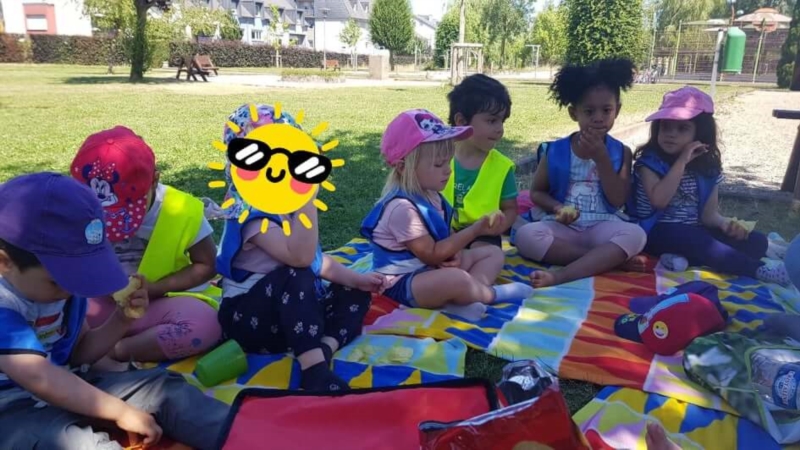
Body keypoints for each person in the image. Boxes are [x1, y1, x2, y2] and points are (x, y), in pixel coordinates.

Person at [0, 172, 228, 449]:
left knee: (165, 389)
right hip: (11, 408)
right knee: (75, 444)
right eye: (60, 280)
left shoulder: (64, 289)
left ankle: (244, 436)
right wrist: (119, 411)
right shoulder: (4, 303)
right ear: (4, 262)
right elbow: (39, 376)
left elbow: (81, 352)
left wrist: (120, 319)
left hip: (69, 383)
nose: (73, 288)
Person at [216, 103, 385, 392]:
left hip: (292, 321)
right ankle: (314, 370)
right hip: (248, 321)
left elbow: (318, 260)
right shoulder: (249, 213)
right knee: (298, 274)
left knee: (354, 291)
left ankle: (324, 348)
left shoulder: (285, 207)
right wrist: (307, 199)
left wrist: (358, 280)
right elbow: (300, 258)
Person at [361, 109, 535, 321]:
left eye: (448, 162)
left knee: (492, 253)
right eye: (438, 164)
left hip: (431, 269)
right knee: (455, 279)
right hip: (402, 283)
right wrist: (475, 230)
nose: (448, 170)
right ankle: (490, 295)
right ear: (403, 167)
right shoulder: (402, 209)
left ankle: (460, 300)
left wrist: (457, 254)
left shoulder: (432, 194)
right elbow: (432, 253)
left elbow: (447, 235)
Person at [70, 126, 222, 366]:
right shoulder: (78, 208)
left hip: (160, 305)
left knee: (207, 323)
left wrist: (153, 289)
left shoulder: (181, 210)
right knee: (58, 310)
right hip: (101, 306)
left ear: (155, 179)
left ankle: (116, 351)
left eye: (126, 207)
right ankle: (98, 344)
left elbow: (208, 264)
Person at [630, 86, 790, 286]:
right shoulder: (649, 162)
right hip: (655, 231)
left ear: (701, 133)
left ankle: (680, 258)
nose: (671, 134)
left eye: (682, 128)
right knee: (700, 242)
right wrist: (681, 162)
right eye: (665, 127)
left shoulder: (707, 168)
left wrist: (726, 225)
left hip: (695, 231)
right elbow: (659, 200)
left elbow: (709, 216)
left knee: (755, 241)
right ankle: (759, 271)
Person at [512, 58, 647, 288]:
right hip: (564, 228)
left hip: (602, 224)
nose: (598, 117)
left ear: (618, 110)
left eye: (606, 110)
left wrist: (602, 157)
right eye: (589, 111)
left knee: (636, 235)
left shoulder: (621, 152)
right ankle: (605, 260)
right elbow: (536, 193)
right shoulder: (555, 150)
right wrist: (557, 208)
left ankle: (562, 276)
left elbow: (617, 200)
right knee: (526, 237)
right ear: (574, 113)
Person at [444, 74, 518, 248]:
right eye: (492, 120)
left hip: (482, 235)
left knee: (491, 256)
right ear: (461, 121)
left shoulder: (502, 167)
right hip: (441, 231)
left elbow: (511, 209)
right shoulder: (437, 157)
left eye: (502, 121)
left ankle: (467, 270)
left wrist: (500, 225)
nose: (499, 129)